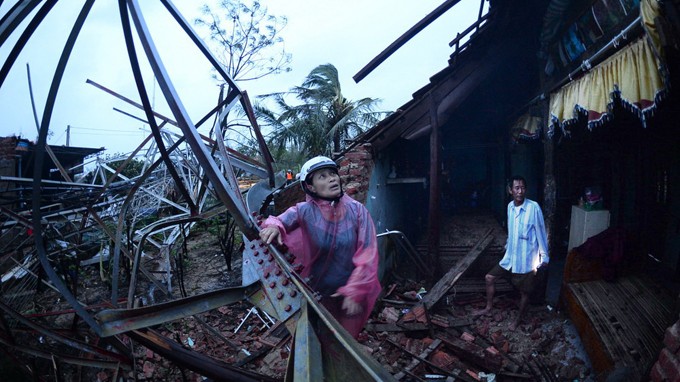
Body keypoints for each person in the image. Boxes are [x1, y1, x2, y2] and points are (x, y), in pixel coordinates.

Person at [259, 156, 381, 338]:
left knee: (345, 340)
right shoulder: (304, 211)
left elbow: (368, 253)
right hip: (316, 291)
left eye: (332, 174)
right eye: (322, 176)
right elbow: (278, 220)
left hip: (349, 292)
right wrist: (273, 226)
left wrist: (355, 290)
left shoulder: (357, 211)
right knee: (318, 337)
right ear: (310, 187)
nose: (332, 178)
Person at [474, 175, 549, 331]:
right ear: (510, 190)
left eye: (522, 188)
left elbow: (541, 232)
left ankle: (517, 320)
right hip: (511, 256)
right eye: (516, 188)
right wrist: (508, 244)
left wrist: (545, 256)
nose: (520, 191)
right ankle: (488, 307)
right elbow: (511, 229)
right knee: (489, 277)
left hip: (526, 259)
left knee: (524, 292)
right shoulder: (510, 207)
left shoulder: (533, 207)